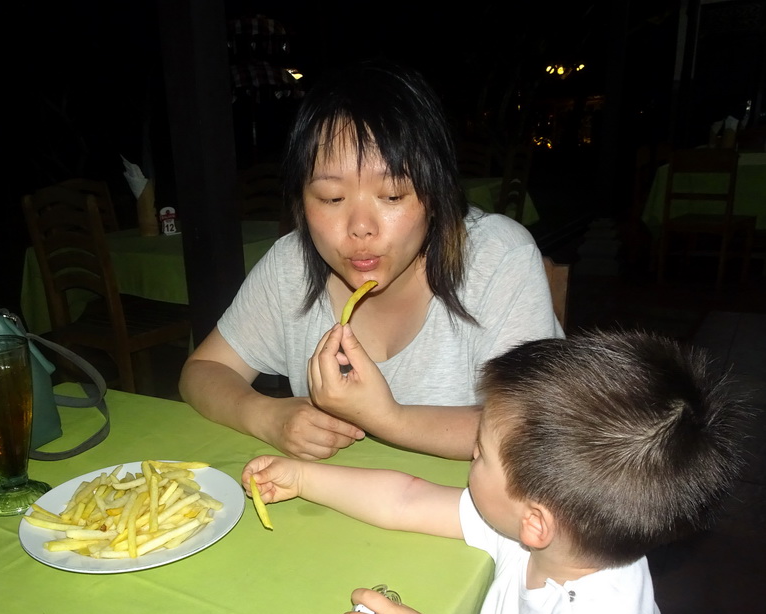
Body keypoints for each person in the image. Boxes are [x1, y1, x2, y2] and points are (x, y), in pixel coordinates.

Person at [242, 331, 745, 614]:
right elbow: (407, 500)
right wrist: (305, 477)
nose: (469, 455)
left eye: (479, 454)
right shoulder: (562, 537)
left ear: (535, 522)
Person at [179, 60, 561, 462]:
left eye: (393, 195)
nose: (360, 228)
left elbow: (534, 428)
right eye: (330, 198)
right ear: (300, 202)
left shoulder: (497, 259)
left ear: (436, 194)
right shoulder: (290, 266)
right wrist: (266, 415)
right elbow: (202, 371)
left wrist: (389, 418)